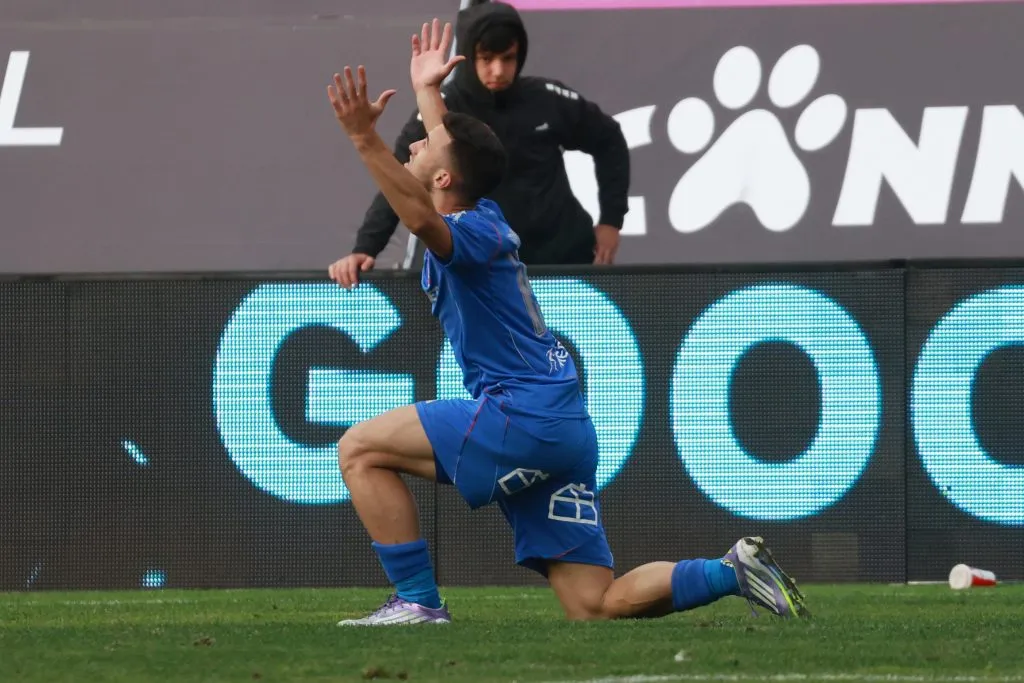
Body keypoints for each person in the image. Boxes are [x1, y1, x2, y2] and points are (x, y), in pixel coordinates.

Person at [326, 19, 809, 625]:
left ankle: (418, 601)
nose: (415, 146)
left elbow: (422, 215)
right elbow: (445, 158)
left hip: (521, 416)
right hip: (561, 428)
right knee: (596, 605)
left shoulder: (466, 230)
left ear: (444, 179)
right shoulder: (483, 212)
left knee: (359, 450)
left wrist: (363, 139)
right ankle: (731, 570)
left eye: (422, 147)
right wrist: (428, 90)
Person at [332, 0, 629, 290]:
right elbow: (399, 179)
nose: (498, 71)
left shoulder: (547, 99)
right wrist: (366, 247)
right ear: (468, 56)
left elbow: (610, 140)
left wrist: (611, 221)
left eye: (508, 58)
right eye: (487, 59)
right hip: (479, 265)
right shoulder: (445, 108)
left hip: (560, 260)